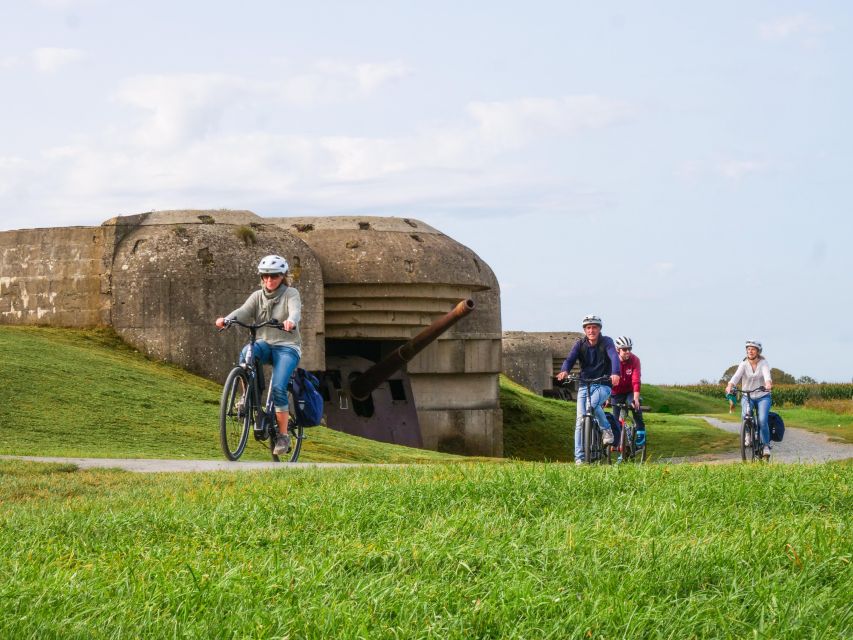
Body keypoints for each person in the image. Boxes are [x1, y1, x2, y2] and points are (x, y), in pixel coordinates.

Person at [215, 255, 302, 455]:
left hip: (287, 346)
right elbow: (244, 311)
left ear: (282, 276)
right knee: (247, 352)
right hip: (264, 343)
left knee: (279, 387)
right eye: (265, 276)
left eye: (274, 276)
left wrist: (291, 321)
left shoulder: (291, 293)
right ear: (261, 277)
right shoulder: (257, 296)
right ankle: (247, 396)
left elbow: (295, 311)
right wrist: (227, 320)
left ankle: (282, 436)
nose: (269, 280)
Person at [556, 314, 621, 464]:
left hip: (603, 384)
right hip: (585, 384)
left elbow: (614, 357)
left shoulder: (607, 342)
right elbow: (570, 359)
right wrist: (565, 370)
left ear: (599, 329)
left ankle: (606, 429)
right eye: (588, 328)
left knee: (591, 406)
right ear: (585, 330)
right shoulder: (580, 344)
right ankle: (579, 459)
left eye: (594, 327)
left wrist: (615, 373)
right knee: (580, 420)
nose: (591, 330)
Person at [725, 339, 773, 459]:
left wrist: (768, 384)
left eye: (753, 349)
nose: (750, 351)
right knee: (744, 416)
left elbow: (767, 374)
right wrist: (730, 385)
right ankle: (747, 434)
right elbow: (736, 376)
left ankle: (766, 446)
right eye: (748, 349)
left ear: (758, 351)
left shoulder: (763, 363)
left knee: (762, 420)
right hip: (747, 396)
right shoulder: (743, 364)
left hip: (763, 396)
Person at [610, 336, 646, 449]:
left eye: (629, 349)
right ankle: (620, 442)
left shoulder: (635, 360)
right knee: (616, 419)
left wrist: (636, 398)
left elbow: (636, 380)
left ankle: (640, 431)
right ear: (618, 350)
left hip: (630, 391)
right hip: (616, 392)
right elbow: (607, 379)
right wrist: (607, 398)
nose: (628, 352)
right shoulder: (612, 360)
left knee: (635, 405)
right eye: (625, 349)